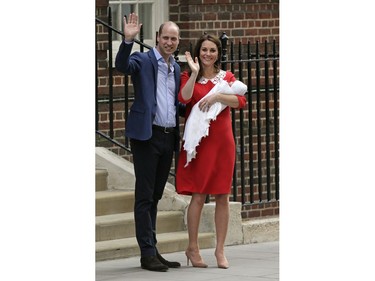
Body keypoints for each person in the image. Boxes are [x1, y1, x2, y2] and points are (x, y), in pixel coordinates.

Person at [115, 13, 182, 272]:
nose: (169, 42)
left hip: (168, 136)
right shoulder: (142, 60)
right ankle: (146, 253)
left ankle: (153, 248)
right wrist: (128, 40)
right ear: (157, 38)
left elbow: (175, 103)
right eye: (165, 37)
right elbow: (122, 66)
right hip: (146, 136)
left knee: (155, 195)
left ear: (178, 41)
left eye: (173, 38)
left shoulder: (175, 67)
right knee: (144, 196)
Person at [176, 34, 247, 269]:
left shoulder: (226, 78)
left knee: (223, 196)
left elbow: (240, 101)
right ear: (199, 52)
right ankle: (193, 248)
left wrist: (217, 94)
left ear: (218, 53)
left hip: (223, 143)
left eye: (212, 50)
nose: (208, 54)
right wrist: (194, 72)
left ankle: (220, 250)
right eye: (204, 50)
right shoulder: (189, 76)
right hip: (200, 145)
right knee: (198, 195)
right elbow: (184, 98)